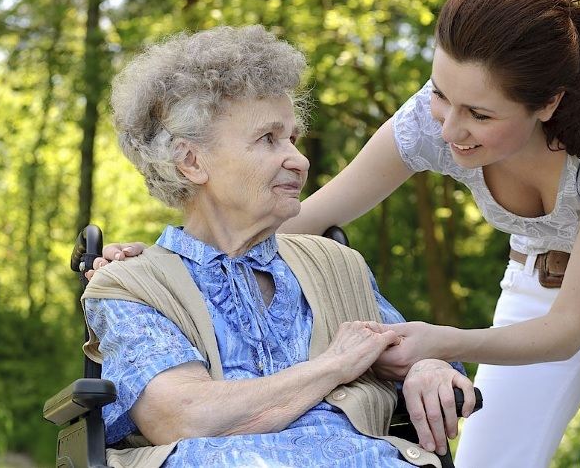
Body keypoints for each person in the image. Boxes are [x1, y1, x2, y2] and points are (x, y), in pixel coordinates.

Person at [94, 0, 580, 467]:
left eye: (477, 113)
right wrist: (157, 265)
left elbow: (565, 328)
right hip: (533, 283)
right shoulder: (433, 120)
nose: (446, 130)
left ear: (547, 104)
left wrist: (428, 355)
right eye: (440, 95)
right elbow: (302, 218)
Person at [82, 24, 476, 468]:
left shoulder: (334, 265)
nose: (299, 159)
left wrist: (427, 369)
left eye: (293, 137)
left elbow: (407, 350)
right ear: (191, 161)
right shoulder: (134, 284)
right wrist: (334, 365)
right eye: (269, 138)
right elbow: (184, 418)